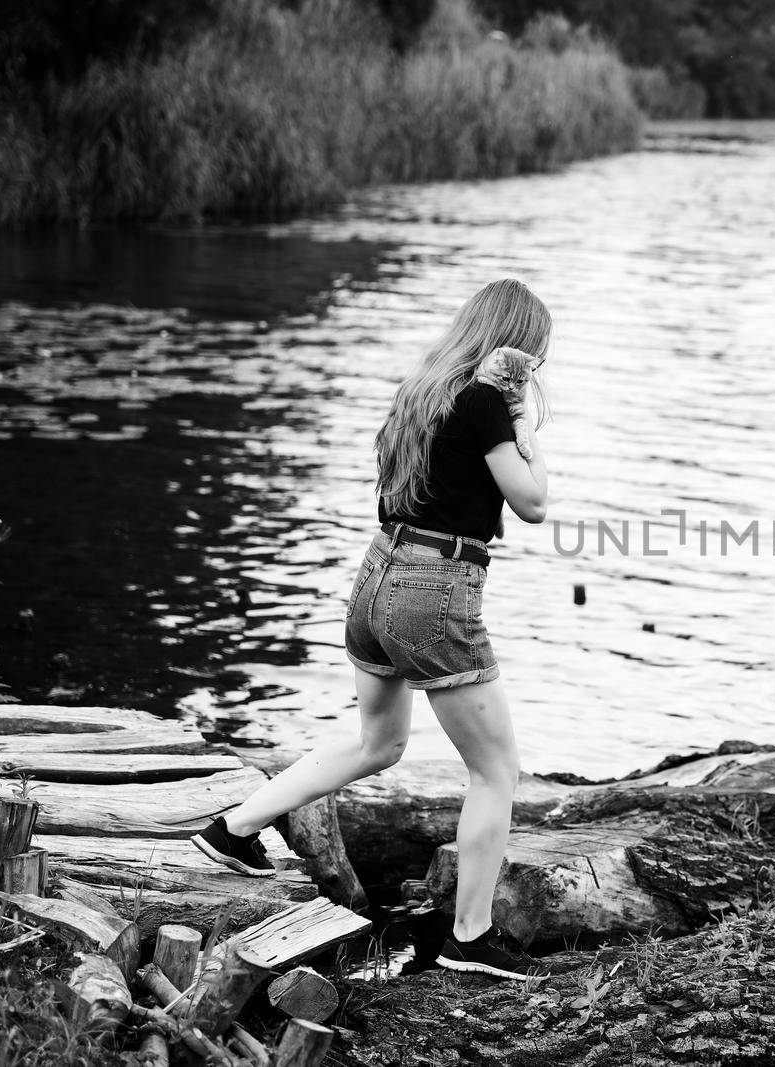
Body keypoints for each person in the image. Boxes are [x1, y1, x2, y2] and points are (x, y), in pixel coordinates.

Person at [189, 278, 552, 980]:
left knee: (377, 742)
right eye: (534, 355)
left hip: (378, 573)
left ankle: (231, 828)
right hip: (434, 587)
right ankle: (469, 940)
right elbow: (533, 502)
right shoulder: (483, 403)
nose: (537, 369)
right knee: (497, 770)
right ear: (515, 346)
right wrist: (525, 427)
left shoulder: (423, 389)